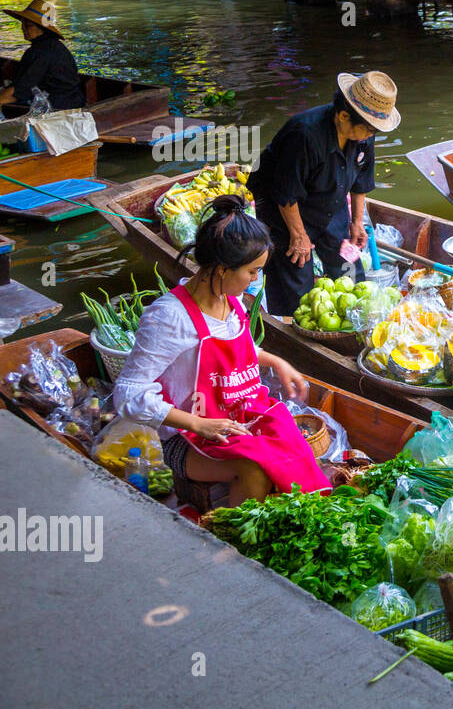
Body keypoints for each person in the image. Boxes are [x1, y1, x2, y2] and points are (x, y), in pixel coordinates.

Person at [113, 196, 330, 506]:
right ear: (223, 270)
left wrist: (277, 362)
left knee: (297, 448)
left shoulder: (230, 299)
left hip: (239, 416)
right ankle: (231, 543)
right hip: (188, 436)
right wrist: (198, 423)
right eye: (252, 272)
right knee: (257, 470)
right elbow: (128, 393)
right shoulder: (170, 318)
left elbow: (238, 350)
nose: (256, 280)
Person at [248, 70, 400, 316]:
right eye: (370, 129)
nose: (373, 135)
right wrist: (299, 236)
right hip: (284, 210)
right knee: (297, 288)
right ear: (343, 116)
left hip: (330, 201)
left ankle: (354, 325)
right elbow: (285, 194)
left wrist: (357, 222)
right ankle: (294, 337)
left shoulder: (364, 136)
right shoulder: (304, 135)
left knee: (350, 273)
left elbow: (360, 182)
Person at [0, 0, 86, 110]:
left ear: (42, 29)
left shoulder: (42, 52)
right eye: (23, 24)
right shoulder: (53, 46)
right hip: (73, 100)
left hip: (60, 106)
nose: (23, 28)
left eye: (28, 25)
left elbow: (20, 91)